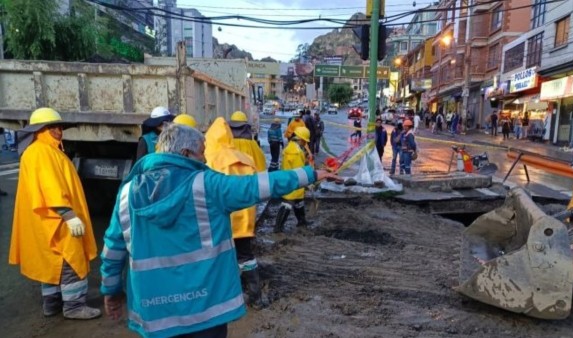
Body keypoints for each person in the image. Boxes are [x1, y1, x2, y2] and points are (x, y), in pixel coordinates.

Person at [101, 123, 338, 337]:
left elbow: (112, 249)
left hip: (155, 314)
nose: (204, 160)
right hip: (206, 311)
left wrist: (111, 290)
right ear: (185, 154)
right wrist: (312, 174)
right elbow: (260, 185)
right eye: (201, 152)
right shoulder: (207, 185)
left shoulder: (126, 193)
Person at [9, 108, 100, 320]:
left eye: (59, 127)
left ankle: (52, 303)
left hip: (46, 220)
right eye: (52, 127)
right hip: (57, 219)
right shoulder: (42, 152)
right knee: (70, 260)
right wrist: (68, 215)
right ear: (41, 130)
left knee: (51, 261)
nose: (58, 131)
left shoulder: (39, 151)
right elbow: (50, 187)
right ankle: (74, 306)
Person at [205, 117, 268, 309]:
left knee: (219, 256)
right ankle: (255, 295)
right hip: (245, 218)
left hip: (221, 219)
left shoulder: (209, 159)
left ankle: (225, 297)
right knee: (245, 254)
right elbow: (260, 182)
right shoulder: (244, 158)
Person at [274, 126, 314, 232]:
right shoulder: (296, 152)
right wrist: (307, 182)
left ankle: (302, 221)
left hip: (288, 177)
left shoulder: (290, 147)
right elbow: (298, 170)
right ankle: (278, 228)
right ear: (300, 139)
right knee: (287, 203)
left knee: (299, 201)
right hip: (293, 181)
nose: (305, 144)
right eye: (304, 142)